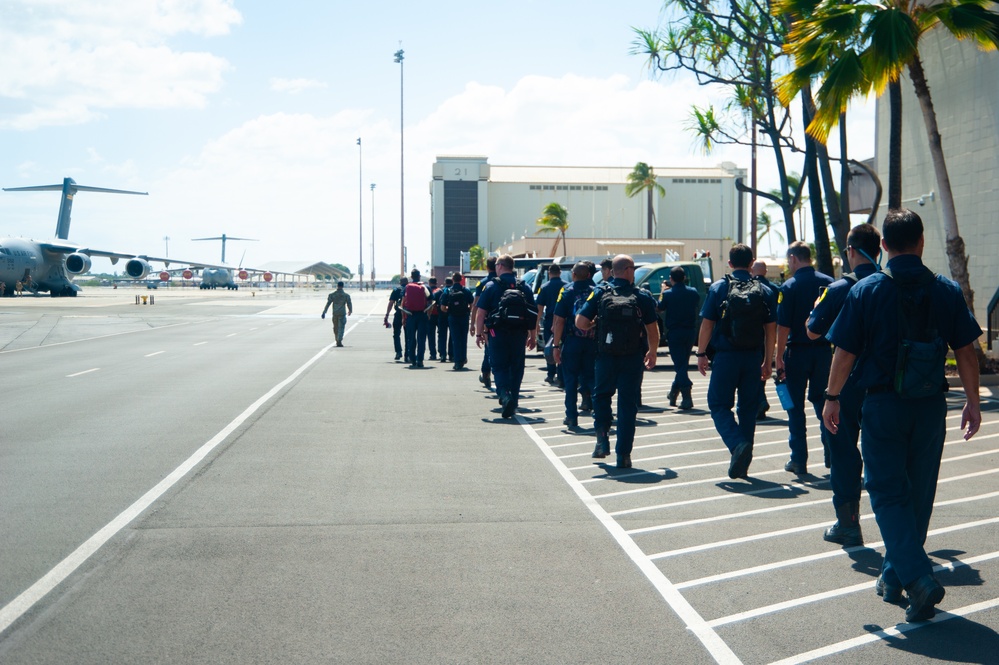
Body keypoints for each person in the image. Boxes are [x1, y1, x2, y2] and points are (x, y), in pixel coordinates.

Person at [823, 208, 981, 622]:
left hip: (882, 406)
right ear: (922, 242)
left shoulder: (867, 289)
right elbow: (966, 351)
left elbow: (844, 352)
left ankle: (917, 578)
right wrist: (973, 401)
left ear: (886, 247)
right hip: (930, 406)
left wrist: (832, 396)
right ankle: (895, 577)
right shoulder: (945, 289)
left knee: (888, 492)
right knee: (919, 492)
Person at [806, 223, 882, 547]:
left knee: (843, 452)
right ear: (878, 250)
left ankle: (848, 523)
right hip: (884, 384)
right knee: (885, 454)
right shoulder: (890, 286)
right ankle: (898, 530)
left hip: (845, 384)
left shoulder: (839, 289)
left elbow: (811, 330)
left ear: (850, 251)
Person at [696, 243, 777, 480]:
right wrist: (767, 361)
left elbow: (707, 323)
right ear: (752, 263)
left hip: (726, 357)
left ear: (729, 263)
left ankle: (737, 445)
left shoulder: (720, 287)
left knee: (719, 405)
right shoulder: (765, 291)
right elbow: (771, 329)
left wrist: (701, 354)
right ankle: (743, 461)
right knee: (748, 409)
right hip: (752, 356)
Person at [576, 255, 660, 469]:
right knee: (627, 406)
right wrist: (652, 352)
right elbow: (653, 329)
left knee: (602, 397)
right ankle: (623, 455)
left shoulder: (601, 292)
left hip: (605, 356)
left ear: (613, 271)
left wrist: (597, 325)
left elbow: (580, 322)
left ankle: (602, 439)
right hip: (632, 358)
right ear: (630, 270)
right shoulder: (642, 296)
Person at [775, 241, 835, 475]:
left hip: (797, 352)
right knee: (824, 403)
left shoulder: (789, 287)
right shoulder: (829, 283)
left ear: (793, 258)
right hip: (822, 352)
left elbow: (783, 326)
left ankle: (799, 459)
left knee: (795, 408)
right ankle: (831, 454)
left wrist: (778, 358)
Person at [474, 255, 537, 418]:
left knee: (499, 366)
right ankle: (513, 400)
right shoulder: (524, 286)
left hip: (497, 333)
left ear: (501, 266)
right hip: (519, 334)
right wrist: (533, 335)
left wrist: (479, 334)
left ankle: (504, 394)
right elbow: (533, 313)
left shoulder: (491, 286)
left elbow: (481, 313)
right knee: (516, 367)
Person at [552, 261, 598, 428]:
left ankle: (571, 416)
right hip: (592, 342)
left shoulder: (566, 291)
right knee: (593, 379)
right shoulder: (596, 291)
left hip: (572, 341)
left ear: (573, 275)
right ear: (588, 275)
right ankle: (600, 414)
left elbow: (559, 321)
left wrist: (556, 346)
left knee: (571, 380)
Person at [659, 266, 700, 410]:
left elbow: (660, 308)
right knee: (682, 364)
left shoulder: (668, 294)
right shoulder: (693, 292)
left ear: (671, 278)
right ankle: (673, 392)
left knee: (679, 365)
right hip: (689, 332)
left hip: (675, 332)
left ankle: (687, 396)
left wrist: (663, 291)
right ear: (684, 278)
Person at [751, 261, 774, 420]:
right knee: (764, 369)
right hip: (769, 336)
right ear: (765, 271)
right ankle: (761, 399)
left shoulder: (748, 286)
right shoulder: (773, 289)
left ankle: (760, 400)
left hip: (751, 337)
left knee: (753, 373)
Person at [536, 264, 566, 387]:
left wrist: (537, 323)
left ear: (549, 273)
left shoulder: (544, 287)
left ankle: (550, 374)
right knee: (562, 348)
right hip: (564, 321)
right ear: (560, 273)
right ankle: (561, 375)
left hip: (549, 322)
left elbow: (539, 308)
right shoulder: (566, 286)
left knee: (550, 348)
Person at [471, 257, 498, 390]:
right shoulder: (504, 282)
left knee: (489, 349)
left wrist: (473, 325)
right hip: (505, 322)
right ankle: (488, 373)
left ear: (487, 267)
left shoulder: (483, 283)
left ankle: (486, 372)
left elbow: (476, 306)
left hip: (487, 322)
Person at [442, 271, 473, 370]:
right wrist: (466, 310)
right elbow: (472, 305)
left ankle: (457, 361)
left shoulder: (447, 291)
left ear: (452, 279)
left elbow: (442, 307)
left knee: (455, 339)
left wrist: (450, 310)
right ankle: (463, 358)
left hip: (453, 317)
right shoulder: (466, 290)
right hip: (464, 317)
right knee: (463, 338)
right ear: (461, 279)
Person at [402, 269, 432, 368]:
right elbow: (430, 301)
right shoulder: (425, 286)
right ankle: (420, 360)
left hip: (410, 315)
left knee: (411, 338)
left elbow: (403, 303)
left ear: (411, 276)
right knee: (421, 338)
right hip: (422, 315)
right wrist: (428, 314)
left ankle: (412, 359)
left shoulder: (407, 287)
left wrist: (403, 317)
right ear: (419, 276)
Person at [384, 277, 410, 362]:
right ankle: (408, 354)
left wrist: (387, 315)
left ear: (400, 282)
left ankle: (398, 352)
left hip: (398, 313)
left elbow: (391, 303)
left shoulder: (396, 290)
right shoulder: (410, 289)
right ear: (407, 282)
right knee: (408, 335)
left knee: (396, 334)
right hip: (408, 314)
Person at [321, 281, 353, 347]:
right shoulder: (346, 295)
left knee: (335, 328)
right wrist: (350, 311)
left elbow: (328, 304)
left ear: (337, 286)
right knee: (341, 328)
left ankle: (337, 339)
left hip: (335, 313)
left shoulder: (332, 295)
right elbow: (349, 304)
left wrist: (324, 312)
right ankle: (339, 340)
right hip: (342, 313)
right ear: (343, 286)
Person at [435, 277, 452, 363]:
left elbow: (433, 301)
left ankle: (442, 354)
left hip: (441, 315)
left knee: (442, 335)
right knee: (452, 335)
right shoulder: (454, 291)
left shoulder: (440, 292)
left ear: (445, 283)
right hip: (453, 315)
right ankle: (451, 354)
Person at [426, 277, 441, 361]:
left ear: (429, 282)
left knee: (431, 335)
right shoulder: (440, 291)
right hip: (440, 315)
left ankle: (433, 354)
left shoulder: (427, 291)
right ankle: (441, 352)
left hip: (430, 315)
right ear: (436, 282)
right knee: (441, 334)